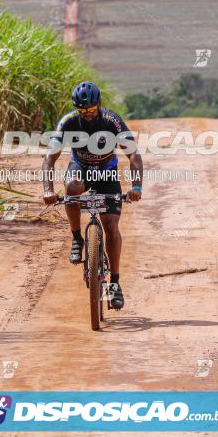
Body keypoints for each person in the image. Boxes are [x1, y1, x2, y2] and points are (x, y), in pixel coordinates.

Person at [42, 81, 143, 310]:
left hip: (107, 173)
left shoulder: (112, 120)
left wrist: (136, 187)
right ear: (76, 108)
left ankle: (115, 284)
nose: (87, 115)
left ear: (99, 104)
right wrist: (47, 189)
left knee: (111, 228)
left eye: (91, 109)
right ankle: (77, 237)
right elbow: (50, 157)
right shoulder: (68, 122)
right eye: (82, 111)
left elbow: (134, 156)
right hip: (81, 168)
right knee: (72, 188)